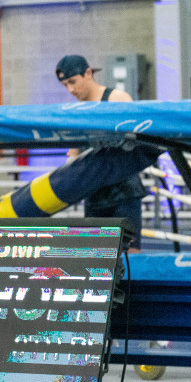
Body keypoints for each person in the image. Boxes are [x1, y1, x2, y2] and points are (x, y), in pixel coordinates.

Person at [56, 54, 145, 251]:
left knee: (131, 258)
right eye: (65, 85)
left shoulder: (117, 99)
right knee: (96, 260)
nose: (70, 90)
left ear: (88, 73)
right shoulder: (75, 111)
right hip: (94, 195)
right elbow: (73, 156)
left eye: (72, 82)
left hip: (124, 192)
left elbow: (137, 142)